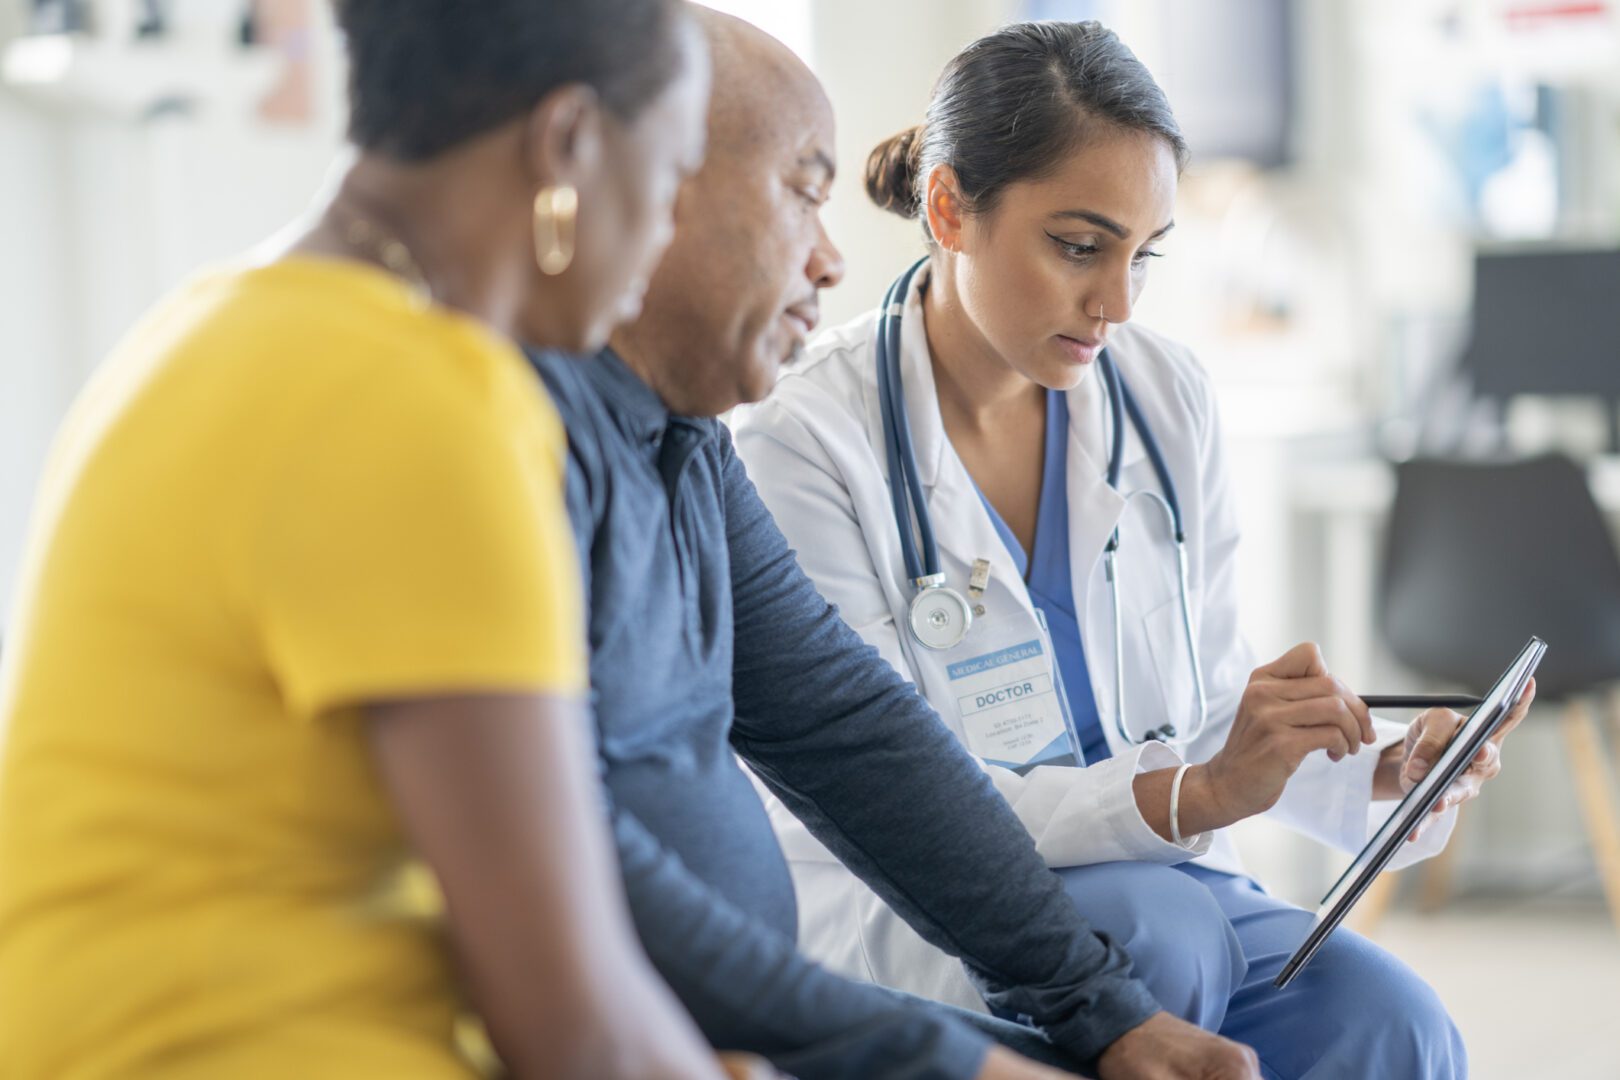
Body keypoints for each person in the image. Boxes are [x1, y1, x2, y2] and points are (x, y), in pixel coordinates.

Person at [732, 20, 1534, 1080]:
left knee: (1395, 1024)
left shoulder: (1163, 395)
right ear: (948, 210)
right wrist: (1190, 796)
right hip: (927, 921)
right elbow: (894, 793)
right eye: (1079, 246)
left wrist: (1372, 774)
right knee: (1159, 941)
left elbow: (1195, 714)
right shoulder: (802, 443)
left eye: (1143, 257)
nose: (1115, 303)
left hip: (1168, 883)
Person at [530, 10, 1261, 1080]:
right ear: (643, 189)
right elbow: (561, 869)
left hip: (719, 1026)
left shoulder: (680, 443)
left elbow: (849, 730)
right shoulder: (502, 437)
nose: (830, 260)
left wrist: (1097, 1013)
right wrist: (955, 1061)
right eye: (800, 192)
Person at [0, 2, 724, 1077]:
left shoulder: (212, 327)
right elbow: (573, 1028)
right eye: (672, 172)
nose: (666, 227)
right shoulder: (415, 395)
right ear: (566, 141)